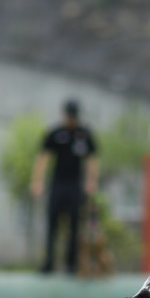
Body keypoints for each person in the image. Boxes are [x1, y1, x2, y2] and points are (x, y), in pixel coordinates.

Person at [30, 99, 99, 274]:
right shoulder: (55, 133)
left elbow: (92, 159)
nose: (71, 120)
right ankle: (49, 262)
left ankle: (71, 263)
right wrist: (37, 181)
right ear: (64, 116)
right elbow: (43, 157)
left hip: (75, 185)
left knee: (75, 224)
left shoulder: (84, 134)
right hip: (57, 184)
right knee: (52, 223)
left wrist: (91, 182)